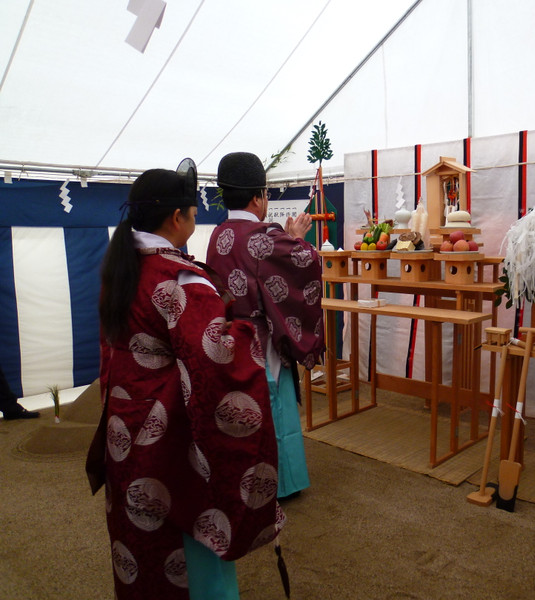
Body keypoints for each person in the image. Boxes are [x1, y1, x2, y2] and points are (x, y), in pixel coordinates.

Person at [95, 160, 284, 600]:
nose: (197, 220)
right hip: (167, 434)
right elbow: (219, 360)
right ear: (176, 217)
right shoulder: (178, 278)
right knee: (180, 535)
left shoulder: (120, 270)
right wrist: (240, 325)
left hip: (125, 423)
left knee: (138, 535)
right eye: (193, 213)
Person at [207, 152, 324, 499]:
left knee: (240, 408)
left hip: (229, 335)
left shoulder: (218, 234)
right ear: (258, 197)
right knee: (275, 407)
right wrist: (298, 238)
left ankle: (242, 478)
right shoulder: (263, 236)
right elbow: (306, 264)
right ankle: (281, 483)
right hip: (261, 338)